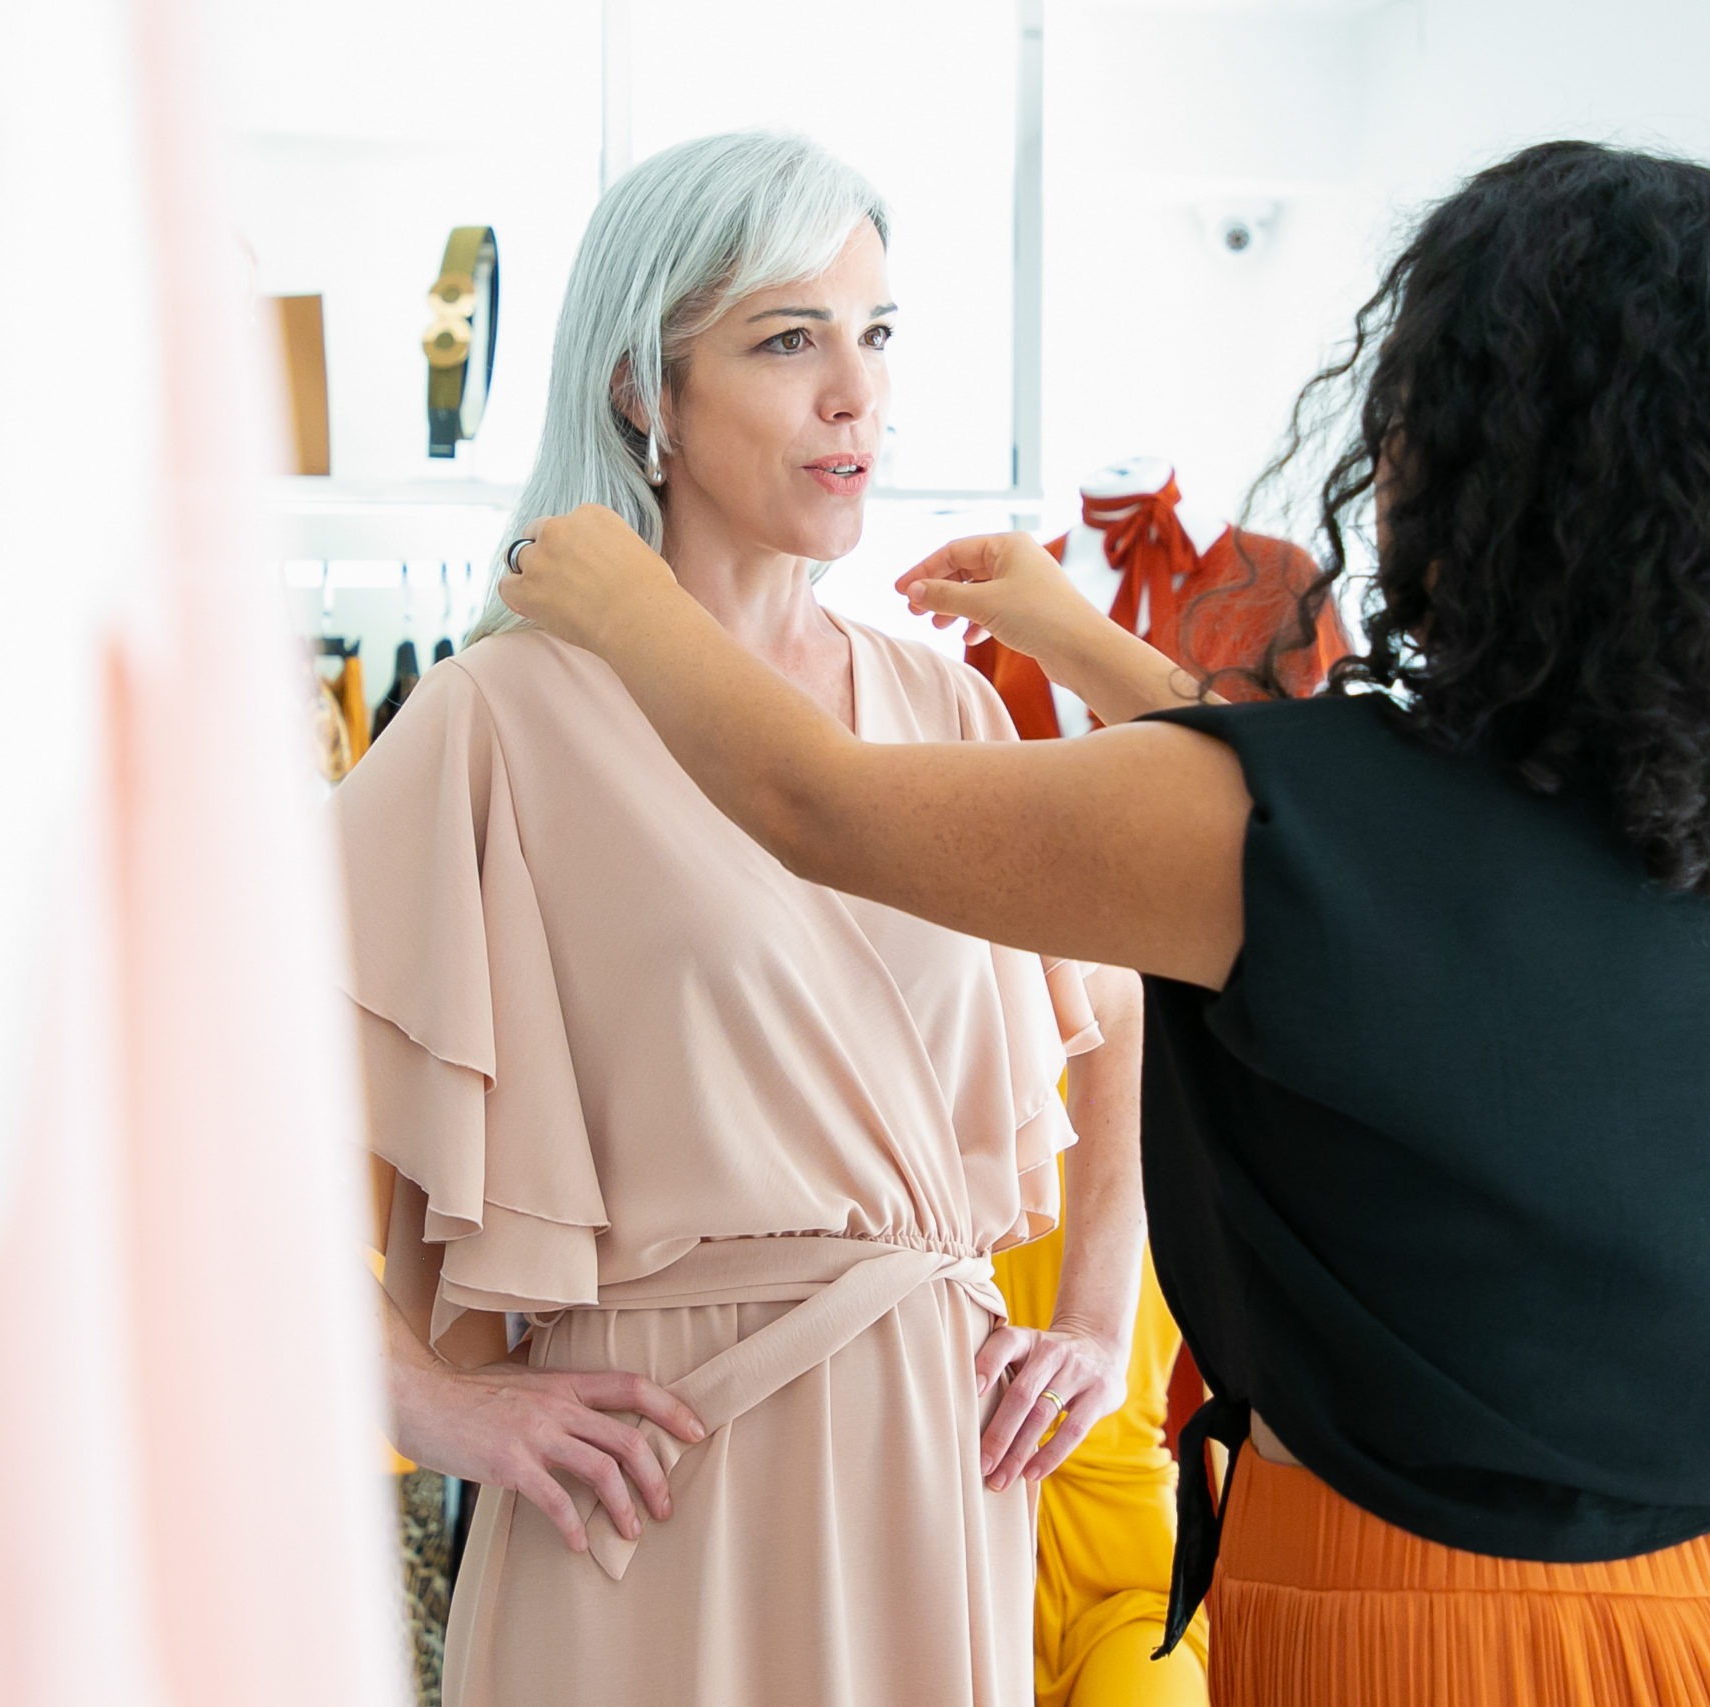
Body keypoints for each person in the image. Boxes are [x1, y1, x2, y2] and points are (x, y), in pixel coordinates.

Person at [497, 140, 1710, 1705]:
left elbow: (820, 806)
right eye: (793, 336)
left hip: (1431, 1641)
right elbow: (1353, 839)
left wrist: (612, 595)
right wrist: (1075, 641)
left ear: (1480, 461)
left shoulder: (1299, 837)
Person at [335, 130, 1146, 1706]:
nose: (860, 393)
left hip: (943, 1464)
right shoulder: (495, 720)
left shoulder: (948, 709)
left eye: (879, 335)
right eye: (791, 339)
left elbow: (1116, 1012)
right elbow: (200, 1117)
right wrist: (433, 1403)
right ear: (645, 388)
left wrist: (1103, 1322)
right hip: (651, 1484)